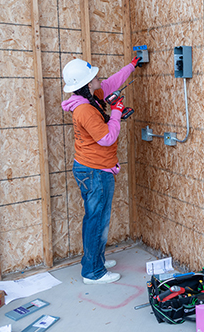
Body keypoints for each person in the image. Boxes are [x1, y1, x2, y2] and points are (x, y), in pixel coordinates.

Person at [61, 56, 141, 284]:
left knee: (95, 218)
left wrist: (132, 66)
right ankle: (93, 273)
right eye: (94, 76)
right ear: (86, 84)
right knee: (97, 220)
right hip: (95, 172)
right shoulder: (84, 110)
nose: (98, 78)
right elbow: (107, 137)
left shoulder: (90, 97)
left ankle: (94, 260)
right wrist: (116, 112)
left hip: (94, 169)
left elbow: (111, 84)